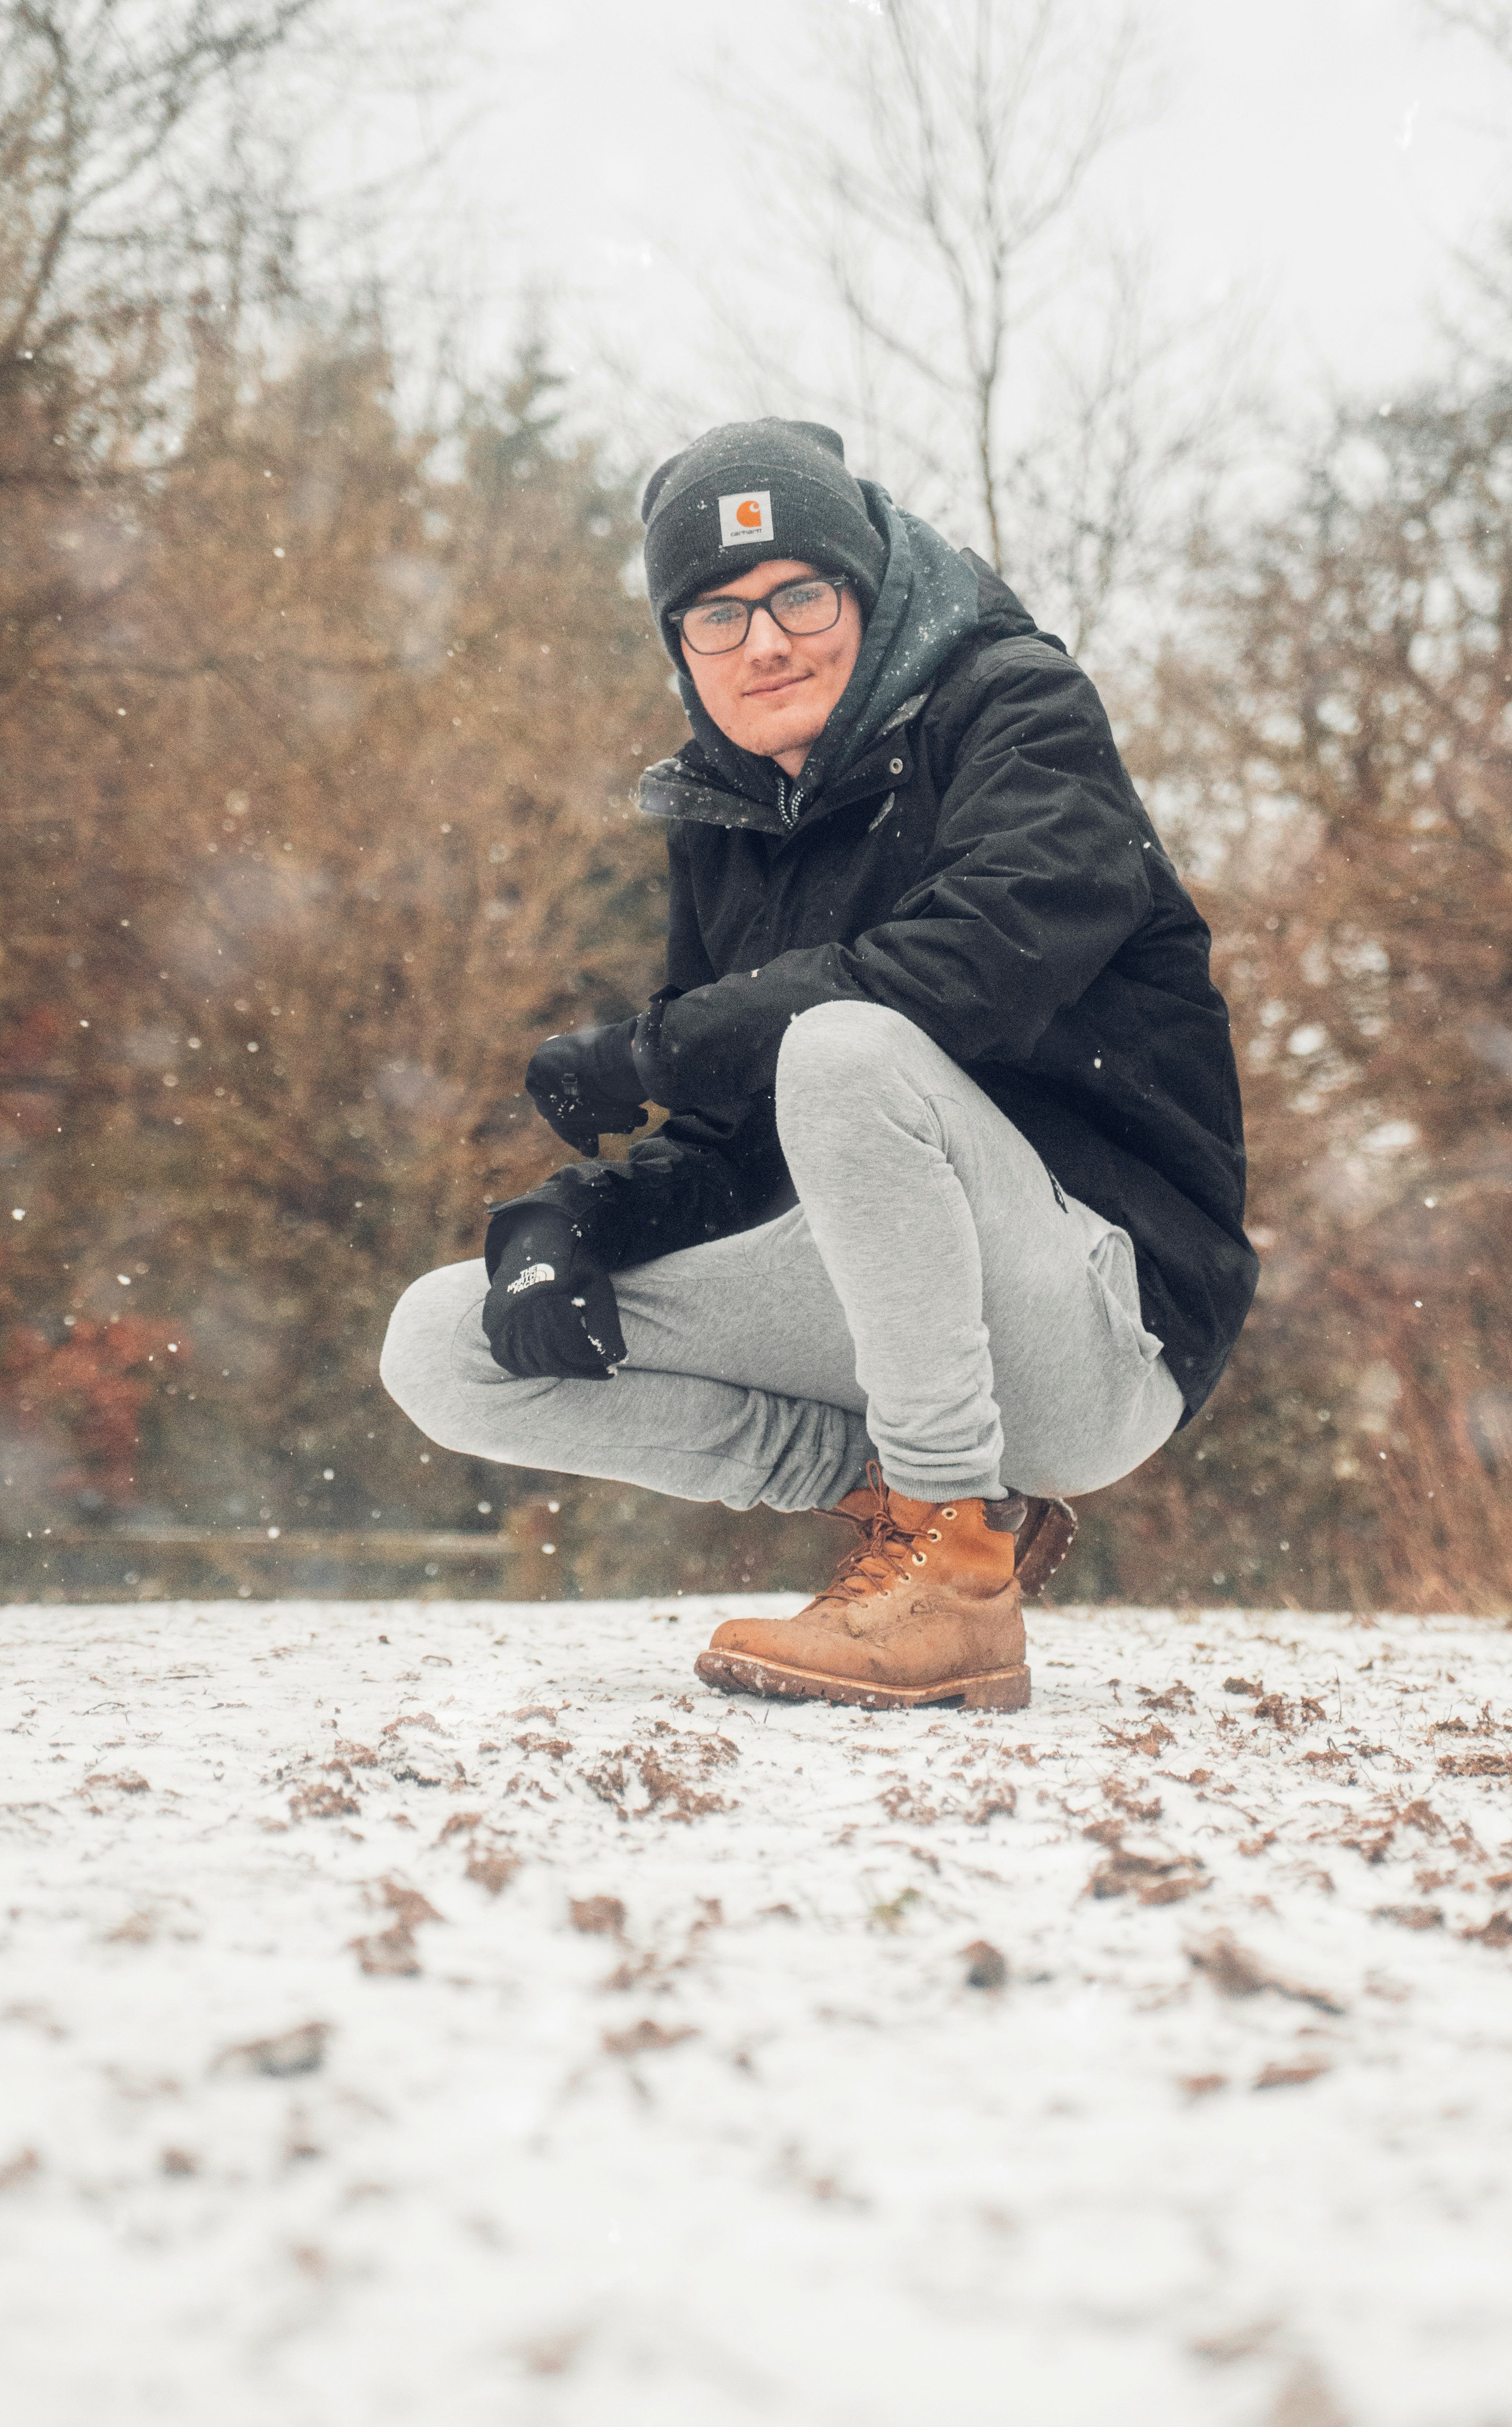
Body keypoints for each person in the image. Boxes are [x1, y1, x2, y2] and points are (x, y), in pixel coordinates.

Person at [380, 418, 1255, 1711]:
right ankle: (928, 1496)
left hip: (1100, 1313)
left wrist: (657, 1050)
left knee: (846, 1048)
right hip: (902, 1317)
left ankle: (954, 1579)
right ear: (680, 650)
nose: (767, 641)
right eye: (717, 617)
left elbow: (980, 962)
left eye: (799, 593)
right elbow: (735, 1128)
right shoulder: (728, 822)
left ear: (871, 586)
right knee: (446, 1342)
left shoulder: (1016, 708)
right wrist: (572, 1220)